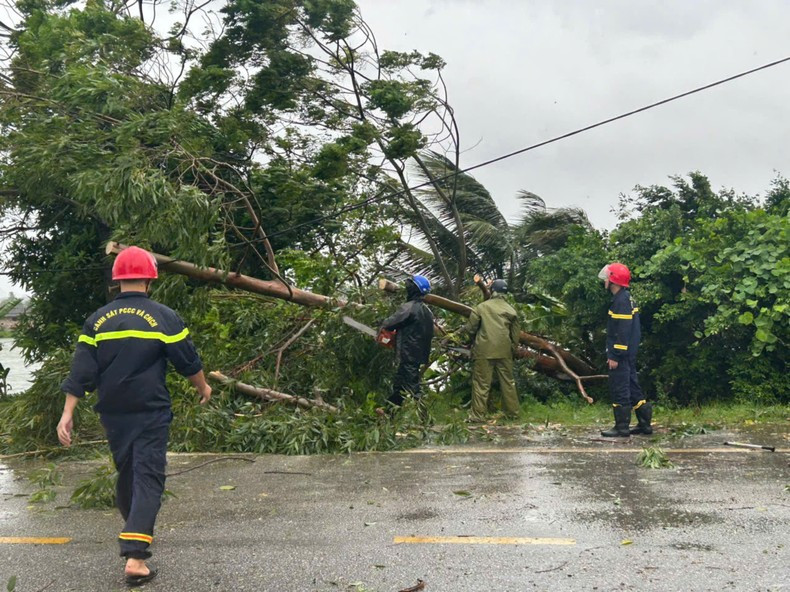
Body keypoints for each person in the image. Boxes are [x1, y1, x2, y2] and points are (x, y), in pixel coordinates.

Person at [56, 246, 212, 586]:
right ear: (150, 278)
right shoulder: (163, 316)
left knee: (128, 473)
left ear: (117, 280)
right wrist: (203, 389)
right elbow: (188, 362)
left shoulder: (97, 319)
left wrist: (67, 413)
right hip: (150, 410)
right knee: (148, 477)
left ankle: (135, 529)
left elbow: (81, 371)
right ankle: (136, 557)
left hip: (112, 412)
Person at [598, 262, 652, 437]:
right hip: (629, 354)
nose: (605, 279)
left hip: (621, 355)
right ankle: (645, 425)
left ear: (613, 280)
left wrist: (615, 355)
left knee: (620, 387)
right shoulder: (626, 298)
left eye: (608, 277)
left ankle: (621, 427)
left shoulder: (620, 301)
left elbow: (622, 332)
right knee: (632, 385)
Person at [466, 279, 520, 422]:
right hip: (504, 351)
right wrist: (512, 350)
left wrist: (470, 342)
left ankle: (478, 416)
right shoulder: (511, 310)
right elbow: (515, 336)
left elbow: (470, 329)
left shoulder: (481, 307)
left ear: (492, 291)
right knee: (508, 382)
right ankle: (512, 414)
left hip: (484, 350)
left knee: (481, 383)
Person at [379, 275, 434, 408]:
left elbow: (392, 322)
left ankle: (425, 420)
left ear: (413, 289)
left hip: (408, 353)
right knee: (399, 386)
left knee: (413, 388)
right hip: (417, 354)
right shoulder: (427, 311)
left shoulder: (409, 307)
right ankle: (389, 413)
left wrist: (380, 325)